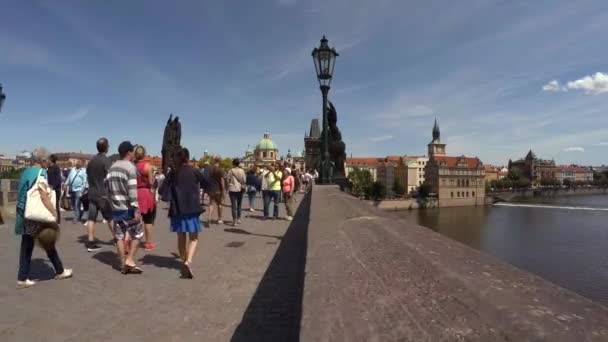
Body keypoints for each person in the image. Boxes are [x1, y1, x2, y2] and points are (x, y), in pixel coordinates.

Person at [15, 158, 73, 289]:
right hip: (37, 214)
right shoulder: (41, 173)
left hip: (26, 213)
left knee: (31, 244)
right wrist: (54, 212)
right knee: (46, 241)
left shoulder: (26, 171)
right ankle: (23, 277)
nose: (48, 164)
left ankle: (58, 270)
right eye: (47, 161)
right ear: (42, 160)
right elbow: (43, 195)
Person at [160, 148, 207, 278]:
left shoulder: (173, 173)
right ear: (187, 158)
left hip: (177, 209)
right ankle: (188, 261)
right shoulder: (194, 170)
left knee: (181, 237)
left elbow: (161, 190)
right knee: (194, 238)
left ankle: (183, 261)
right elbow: (206, 183)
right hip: (192, 208)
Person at [107, 141, 143, 274]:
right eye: (133, 151)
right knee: (138, 234)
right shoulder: (130, 167)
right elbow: (132, 189)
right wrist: (135, 208)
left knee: (119, 236)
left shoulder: (112, 167)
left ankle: (123, 263)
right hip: (128, 208)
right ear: (129, 153)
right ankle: (130, 259)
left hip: (116, 207)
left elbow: (107, 187)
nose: (134, 153)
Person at [84, 138, 115, 252]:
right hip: (102, 194)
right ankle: (117, 239)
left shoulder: (91, 160)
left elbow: (87, 176)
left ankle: (90, 242)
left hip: (92, 193)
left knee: (91, 218)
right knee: (110, 217)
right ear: (106, 147)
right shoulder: (106, 160)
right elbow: (111, 176)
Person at [134, 145, 157, 251]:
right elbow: (151, 183)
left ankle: (132, 240)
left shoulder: (133, 166)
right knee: (148, 220)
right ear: (144, 154)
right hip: (146, 193)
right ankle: (148, 243)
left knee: (135, 219)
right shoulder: (148, 166)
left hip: (135, 192)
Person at [226, 158, 246, 226]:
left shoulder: (230, 171)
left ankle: (234, 221)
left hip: (232, 189)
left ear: (233, 163)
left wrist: (229, 185)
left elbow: (227, 180)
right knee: (239, 204)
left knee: (233, 206)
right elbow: (244, 180)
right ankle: (239, 219)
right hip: (240, 189)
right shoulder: (242, 171)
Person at [206, 156, 225, 226]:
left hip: (211, 189)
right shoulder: (220, 170)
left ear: (214, 160)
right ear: (220, 161)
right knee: (219, 204)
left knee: (211, 204)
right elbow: (222, 181)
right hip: (218, 190)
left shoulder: (210, 169)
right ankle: (219, 219)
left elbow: (208, 179)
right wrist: (223, 191)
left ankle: (209, 218)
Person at [47, 154, 63, 223]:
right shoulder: (49, 168)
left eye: (48, 159)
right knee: (50, 204)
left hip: (56, 190)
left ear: (51, 160)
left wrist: (53, 186)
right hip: (50, 189)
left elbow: (58, 179)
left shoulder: (56, 167)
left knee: (56, 205)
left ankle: (57, 220)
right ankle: (51, 219)